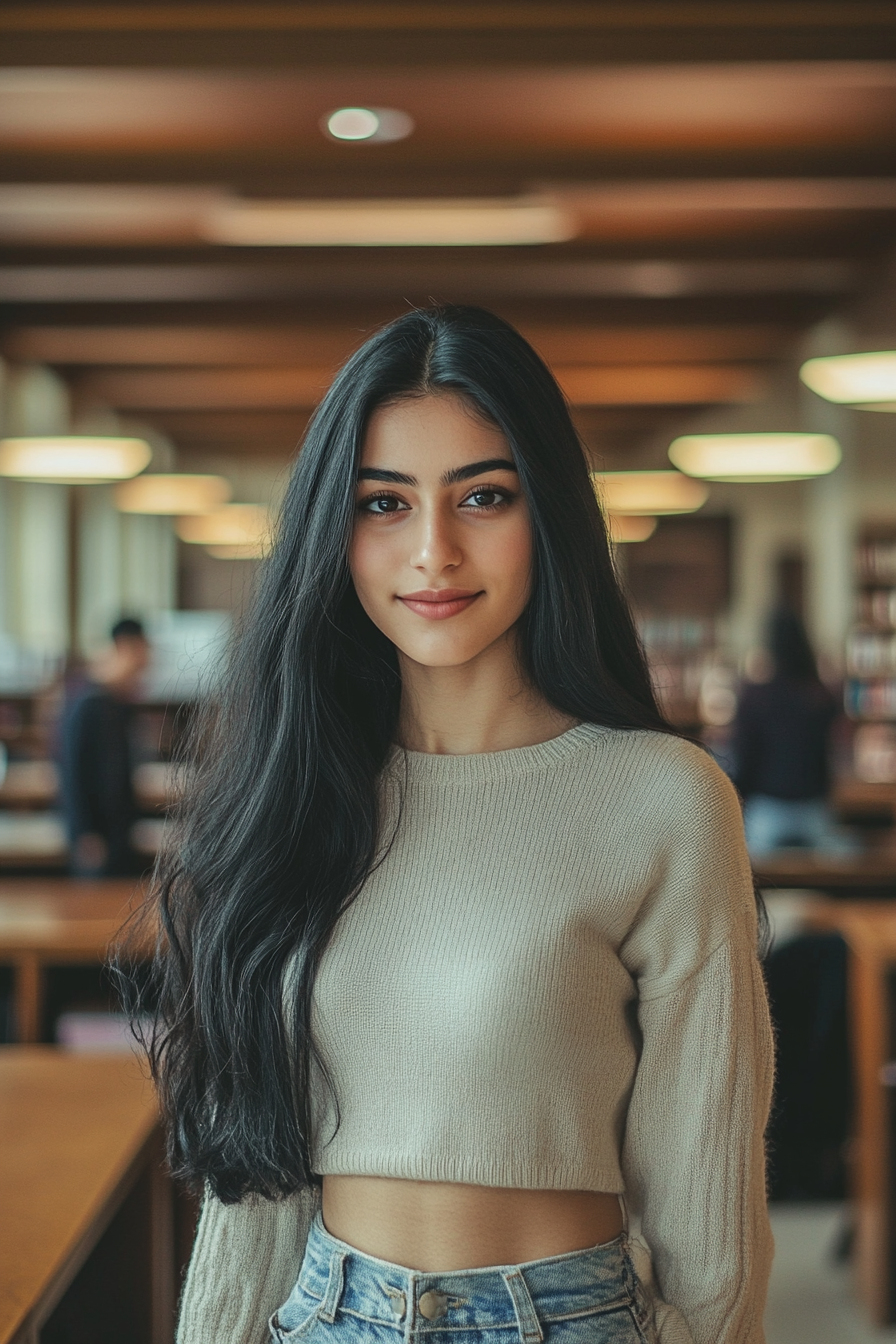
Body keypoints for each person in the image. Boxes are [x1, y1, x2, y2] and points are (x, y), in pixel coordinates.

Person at [123, 307, 773, 1344]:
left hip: (565, 1319)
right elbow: (258, 1182)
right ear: (332, 532)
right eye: (383, 503)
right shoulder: (291, 795)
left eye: (480, 496)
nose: (432, 551)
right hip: (324, 1314)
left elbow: (705, 1187)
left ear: (545, 513)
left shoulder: (661, 798)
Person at [732, 610, 845, 857]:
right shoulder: (821, 697)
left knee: (754, 878)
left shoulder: (755, 697)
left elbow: (745, 757)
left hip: (768, 808)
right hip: (814, 806)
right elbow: (832, 755)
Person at [60, 616, 150, 877]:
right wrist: (84, 833)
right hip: (95, 837)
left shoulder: (117, 701)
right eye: (145, 649)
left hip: (118, 830)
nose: (147, 660)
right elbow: (71, 772)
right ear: (125, 646)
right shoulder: (87, 702)